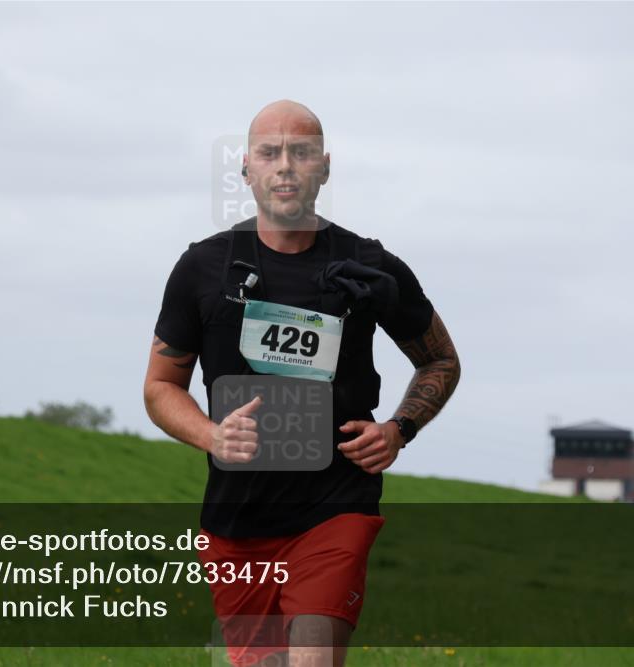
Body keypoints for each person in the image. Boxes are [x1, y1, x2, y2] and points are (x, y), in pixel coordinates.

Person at [143, 100, 461, 667]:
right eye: (270, 152)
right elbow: (161, 386)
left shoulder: (371, 265)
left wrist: (398, 429)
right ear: (246, 169)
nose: (285, 165)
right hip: (236, 520)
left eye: (302, 152)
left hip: (334, 506)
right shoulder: (203, 267)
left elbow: (441, 361)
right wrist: (211, 437)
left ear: (325, 167)